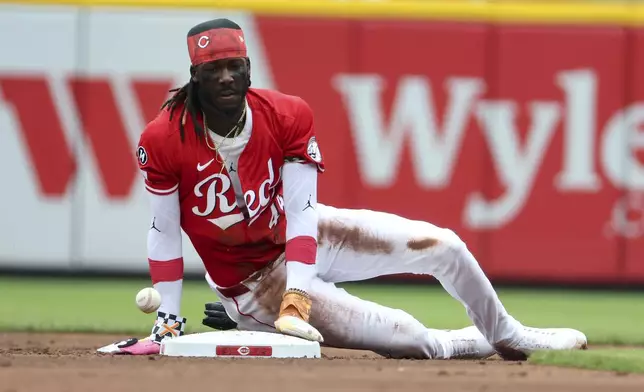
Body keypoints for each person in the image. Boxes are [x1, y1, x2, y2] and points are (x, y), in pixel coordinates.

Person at [99, 18, 587, 360]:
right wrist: (168, 317)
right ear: (195, 76)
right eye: (212, 70)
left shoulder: (286, 113)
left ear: (249, 68)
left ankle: (508, 334)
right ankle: (465, 343)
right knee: (410, 337)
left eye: (235, 66)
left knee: (446, 245)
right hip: (251, 282)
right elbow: (163, 230)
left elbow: (302, 209)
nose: (226, 77)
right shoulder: (163, 138)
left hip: (299, 237)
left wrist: (299, 296)